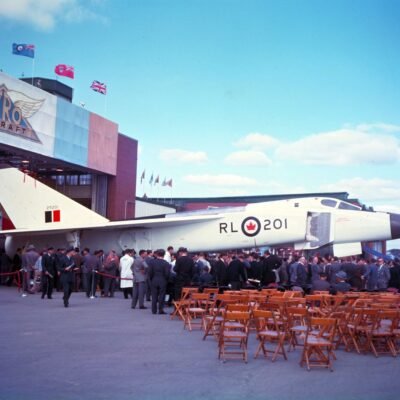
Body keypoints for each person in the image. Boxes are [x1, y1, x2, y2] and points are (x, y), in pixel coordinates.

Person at [147, 249, 170, 315]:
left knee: (154, 295)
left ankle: (154, 310)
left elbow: (150, 272)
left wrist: (151, 279)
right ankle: (160, 310)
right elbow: (167, 274)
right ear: (164, 255)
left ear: (157, 254)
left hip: (154, 279)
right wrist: (166, 280)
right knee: (162, 296)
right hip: (162, 280)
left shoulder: (152, 262)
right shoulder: (166, 263)